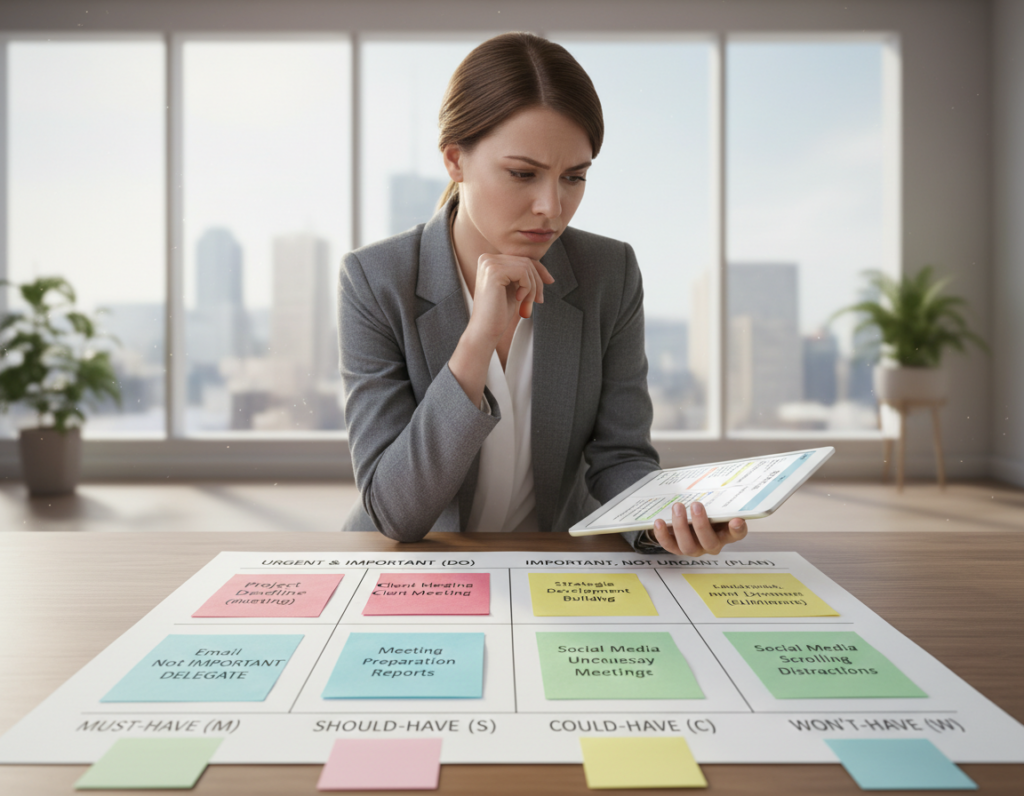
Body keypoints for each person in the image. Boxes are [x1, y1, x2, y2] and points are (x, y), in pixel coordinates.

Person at [339, 32, 747, 557]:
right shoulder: (375, 280)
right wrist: (477, 340)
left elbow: (621, 456)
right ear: (455, 161)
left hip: (553, 562)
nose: (551, 207)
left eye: (574, 177)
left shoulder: (609, 272)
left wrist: (663, 518)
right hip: (417, 567)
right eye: (523, 174)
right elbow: (395, 512)